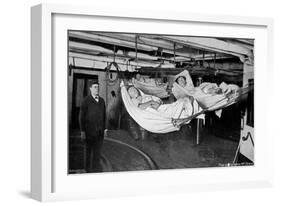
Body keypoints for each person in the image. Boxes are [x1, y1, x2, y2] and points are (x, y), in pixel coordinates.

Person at [79, 80, 106, 173]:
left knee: (97, 152)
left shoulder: (102, 101)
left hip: (99, 132)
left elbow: (104, 116)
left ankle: (95, 169)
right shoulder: (85, 101)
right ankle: (87, 170)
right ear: (90, 88)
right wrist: (82, 131)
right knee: (88, 152)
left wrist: (105, 129)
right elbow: (81, 117)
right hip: (89, 132)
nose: (97, 89)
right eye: (95, 87)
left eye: (98, 87)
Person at [127, 86, 198, 119]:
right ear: (129, 95)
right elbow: (140, 107)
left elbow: (157, 100)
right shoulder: (134, 100)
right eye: (130, 91)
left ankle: (189, 108)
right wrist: (151, 102)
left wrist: (156, 101)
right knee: (182, 102)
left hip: (160, 106)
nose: (133, 91)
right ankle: (188, 113)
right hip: (157, 110)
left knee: (181, 100)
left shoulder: (143, 96)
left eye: (134, 89)